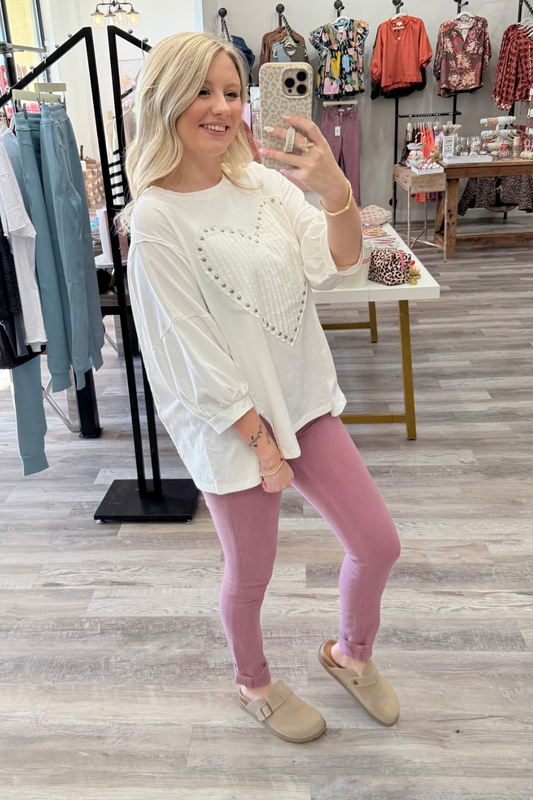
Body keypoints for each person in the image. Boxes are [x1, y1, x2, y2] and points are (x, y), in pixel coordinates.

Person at [120, 30, 401, 744]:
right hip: (232, 423)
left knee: (377, 544)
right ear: (164, 101)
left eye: (232, 92)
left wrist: (336, 193)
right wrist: (260, 443)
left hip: (300, 401)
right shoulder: (155, 217)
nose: (222, 107)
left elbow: (338, 262)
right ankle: (253, 682)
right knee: (250, 575)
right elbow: (190, 348)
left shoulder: (263, 184)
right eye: (202, 91)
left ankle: (350, 654)